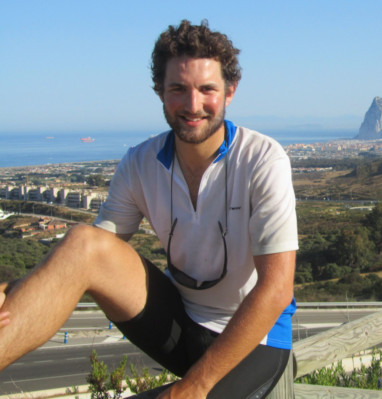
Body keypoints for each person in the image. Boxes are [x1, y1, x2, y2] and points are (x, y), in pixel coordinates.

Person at [0, 19, 298, 399]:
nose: (193, 105)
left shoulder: (262, 159)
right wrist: (10, 292)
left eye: (207, 89)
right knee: (82, 242)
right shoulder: (140, 162)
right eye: (178, 89)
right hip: (180, 320)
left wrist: (194, 386)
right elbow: (82, 259)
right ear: (160, 91)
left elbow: (276, 290)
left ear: (230, 91)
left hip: (253, 341)